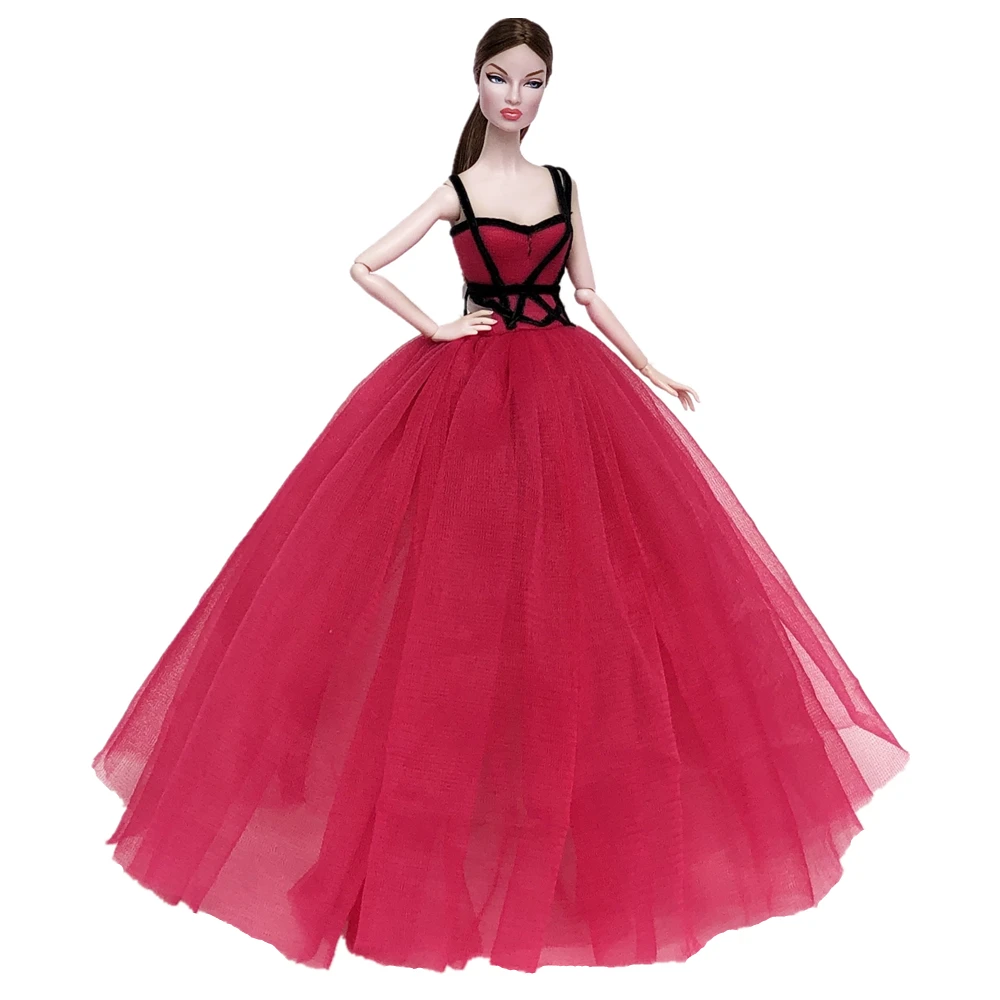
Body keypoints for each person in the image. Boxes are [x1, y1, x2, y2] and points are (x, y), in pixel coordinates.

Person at [93, 17, 909, 975]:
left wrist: (653, 369)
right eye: (500, 77)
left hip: (571, 392)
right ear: (475, 83)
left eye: (532, 81)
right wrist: (436, 328)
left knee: (590, 599)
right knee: (455, 600)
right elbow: (362, 262)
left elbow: (591, 294)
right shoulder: (460, 190)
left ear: (547, 90)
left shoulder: (563, 185)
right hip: (470, 403)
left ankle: (563, 826)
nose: (515, 96)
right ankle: (444, 828)